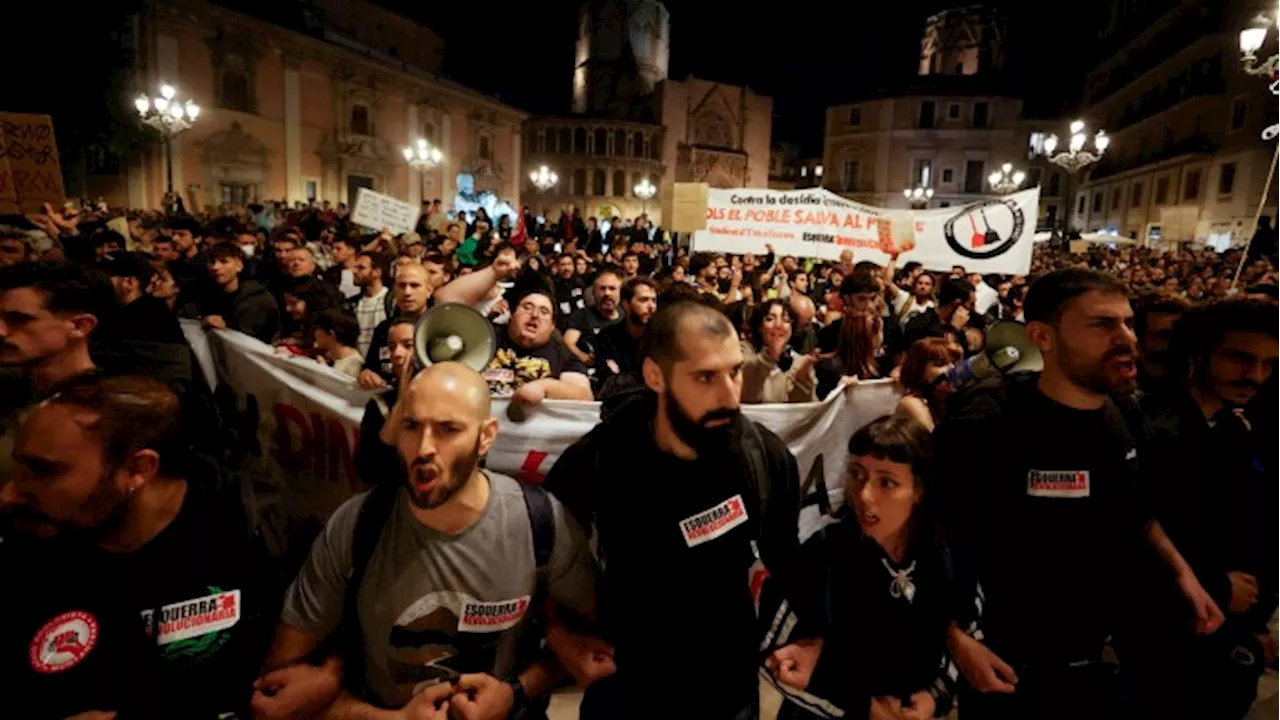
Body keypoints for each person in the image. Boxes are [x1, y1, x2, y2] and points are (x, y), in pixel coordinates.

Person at [934, 269, 1223, 720]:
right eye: (1102, 324)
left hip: (1100, 665)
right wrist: (954, 638)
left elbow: (1135, 509)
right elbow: (935, 535)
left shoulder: (1122, 411)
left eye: (1127, 322)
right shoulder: (988, 423)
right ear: (1042, 337)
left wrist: (1183, 574)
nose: (1128, 338)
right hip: (1010, 670)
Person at [250, 362, 598, 718]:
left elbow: (598, 647)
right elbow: (275, 687)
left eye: (448, 429)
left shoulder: (540, 524)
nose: (424, 448)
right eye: (411, 426)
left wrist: (517, 691)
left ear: (486, 437)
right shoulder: (357, 526)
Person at [543, 301, 817, 720]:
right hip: (626, 685)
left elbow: (787, 562)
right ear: (656, 375)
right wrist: (560, 636)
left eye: (734, 371)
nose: (729, 395)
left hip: (727, 688)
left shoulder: (763, 457)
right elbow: (541, 555)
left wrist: (816, 639)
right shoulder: (603, 457)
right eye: (705, 376)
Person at [0, 375, 282, 719]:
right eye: (21, 466)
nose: (10, 493)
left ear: (138, 469)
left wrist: (331, 671)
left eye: (44, 471)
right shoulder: (23, 542)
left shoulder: (259, 531)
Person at [1138, 298, 1280, 719]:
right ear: (1198, 354)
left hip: (1225, 630)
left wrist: (1253, 624)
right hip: (1163, 639)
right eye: (1240, 358)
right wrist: (1216, 587)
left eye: (1269, 364)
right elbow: (1123, 534)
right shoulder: (1151, 427)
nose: (1254, 376)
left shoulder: (1233, 426)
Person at [770, 415, 961, 720]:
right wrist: (867, 709)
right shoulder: (823, 555)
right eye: (857, 475)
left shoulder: (942, 555)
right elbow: (773, 656)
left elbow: (963, 635)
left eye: (887, 482)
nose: (864, 495)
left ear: (919, 490)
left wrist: (934, 696)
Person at [0, 261, 113, 476]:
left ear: (80, 326)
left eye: (18, 320)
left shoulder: (106, 410)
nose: (1, 331)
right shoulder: (10, 391)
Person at [482, 287, 593, 406]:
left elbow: (585, 396)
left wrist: (545, 387)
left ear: (552, 326)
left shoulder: (562, 353)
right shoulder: (484, 339)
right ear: (512, 315)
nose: (535, 315)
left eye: (544, 312)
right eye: (527, 308)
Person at [740, 299, 817, 404]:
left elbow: (805, 410)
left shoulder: (800, 362)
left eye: (785, 320)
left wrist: (802, 382)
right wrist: (769, 357)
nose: (778, 325)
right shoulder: (744, 351)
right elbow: (747, 393)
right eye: (770, 319)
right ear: (759, 327)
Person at [591, 277, 658, 398]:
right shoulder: (606, 338)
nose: (651, 306)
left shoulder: (662, 338)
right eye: (643, 300)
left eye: (653, 300)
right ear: (626, 304)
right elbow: (608, 383)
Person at [202, 244, 280, 343]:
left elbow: (251, 335)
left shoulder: (256, 297)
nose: (215, 267)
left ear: (239, 266)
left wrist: (227, 326)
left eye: (224, 262)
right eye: (212, 262)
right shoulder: (208, 292)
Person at [895, 338, 963, 432]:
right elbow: (934, 442)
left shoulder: (949, 401)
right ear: (919, 370)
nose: (952, 368)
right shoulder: (911, 403)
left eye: (955, 363)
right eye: (941, 364)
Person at [563, 269, 622, 366]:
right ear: (594, 292)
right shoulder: (582, 315)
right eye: (602, 288)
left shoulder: (626, 316)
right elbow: (567, 342)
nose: (607, 293)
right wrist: (582, 356)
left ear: (620, 292)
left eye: (612, 288)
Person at [312, 307, 365, 379]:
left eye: (316, 329)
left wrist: (324, 370)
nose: (314, 333)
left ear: (331, 334)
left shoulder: (354, 364)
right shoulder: (334, 359)